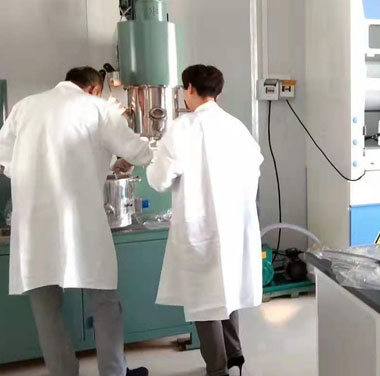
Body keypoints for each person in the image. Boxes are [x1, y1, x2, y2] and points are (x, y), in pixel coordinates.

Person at [0, 67, 153, 376]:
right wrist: (151, 149)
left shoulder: (24, 107)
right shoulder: (97, 108)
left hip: (33, 225)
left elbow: (7, 160)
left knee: (46, 309)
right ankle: (113, 372)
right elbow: (138, 152)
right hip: (81, 221)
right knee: (105, 301)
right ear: (95, 89)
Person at [146, 64, 263, 376]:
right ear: (218, 92)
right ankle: (235, 355)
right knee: (227, 290)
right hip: (234, 225)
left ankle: (217, 368)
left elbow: (159, 179)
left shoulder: (182, 128)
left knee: (204, 299)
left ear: (189, 89)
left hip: (200, 227)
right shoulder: (236, 126)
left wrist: (151, 161)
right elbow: (255, 168)